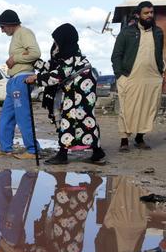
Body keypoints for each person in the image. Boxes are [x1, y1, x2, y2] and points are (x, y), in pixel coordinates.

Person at [26, 23, 106, 165]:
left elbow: (57, 75)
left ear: (65, 40)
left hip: (80, 92)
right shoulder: (69, 55)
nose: (55, 44)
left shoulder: (71, 58)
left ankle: (63, 154)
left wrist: (36, 78)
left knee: (70, 119)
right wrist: (34, 62)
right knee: (86, 119)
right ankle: (97, 151)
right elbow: (53, 68)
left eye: (57, 41)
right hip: (79, 91)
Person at [111, 1, 165, 151]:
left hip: (152, 77)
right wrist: (120, 75)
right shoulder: (127, 32)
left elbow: (159, 53)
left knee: (148, 108)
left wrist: (161, 72)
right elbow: (116, 56)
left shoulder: (158, 32)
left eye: (151, 13)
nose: (149, 15)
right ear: (137, 15)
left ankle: (140, 138)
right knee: (127, 109)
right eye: (146, 13)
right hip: (131, 77)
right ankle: (124, 141)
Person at [0, 9, 41, 160]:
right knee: (6, 117)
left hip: (22, 79)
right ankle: (5, 148)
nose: (1, 31)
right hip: (14, 80)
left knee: (23, 116)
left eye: (2, 27)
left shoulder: (24, 32)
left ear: (9, 24)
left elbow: (35, 53)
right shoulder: (16, 36)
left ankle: (33, 149)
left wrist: (15, 59)